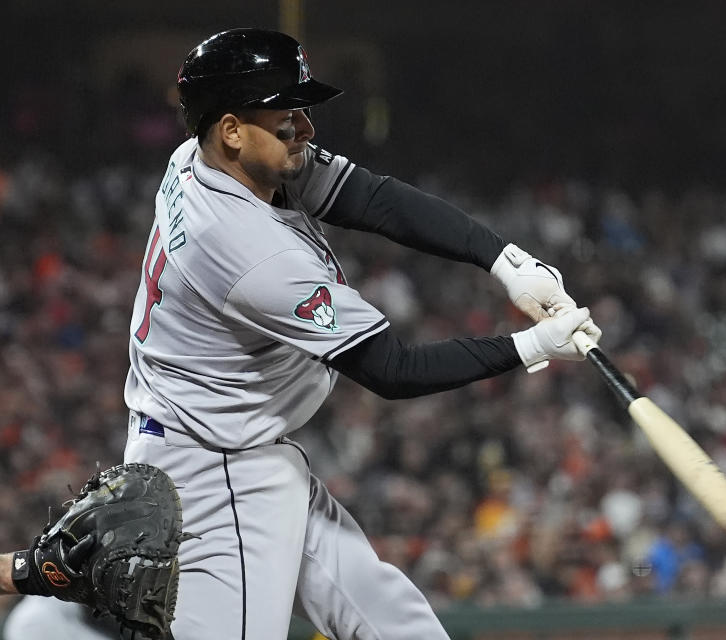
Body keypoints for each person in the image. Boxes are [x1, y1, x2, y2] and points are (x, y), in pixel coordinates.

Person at [117, 27, 600, 640]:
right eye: (287, 116)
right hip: (213, 475)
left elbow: (373, 199)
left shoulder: (207, 157)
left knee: (396, 623)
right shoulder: (246, 251)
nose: (307, 129)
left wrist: (506, 261)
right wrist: (532, 347)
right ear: (233, 129)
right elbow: (391, 371)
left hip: (238, 447)